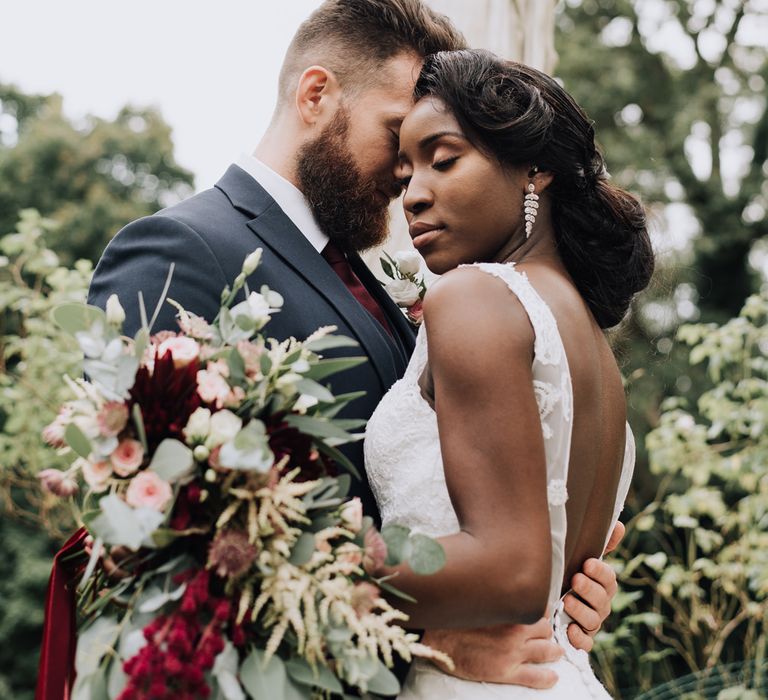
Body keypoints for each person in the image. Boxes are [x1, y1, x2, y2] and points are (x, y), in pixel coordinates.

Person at [36, 4, 622, 698]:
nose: (407, 183)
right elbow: (156, 534)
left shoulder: (393, 287)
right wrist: (419, 639)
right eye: (395, 140)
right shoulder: (179, 251)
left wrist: (556, 581)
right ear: (317, 95)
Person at [363, 49, 655, 698]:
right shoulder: (594, 351)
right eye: (406, 173)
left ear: (537, 169)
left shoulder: (474, 297)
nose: (414, 195)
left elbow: (514, 571)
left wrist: (323, 577)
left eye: (444, 160)